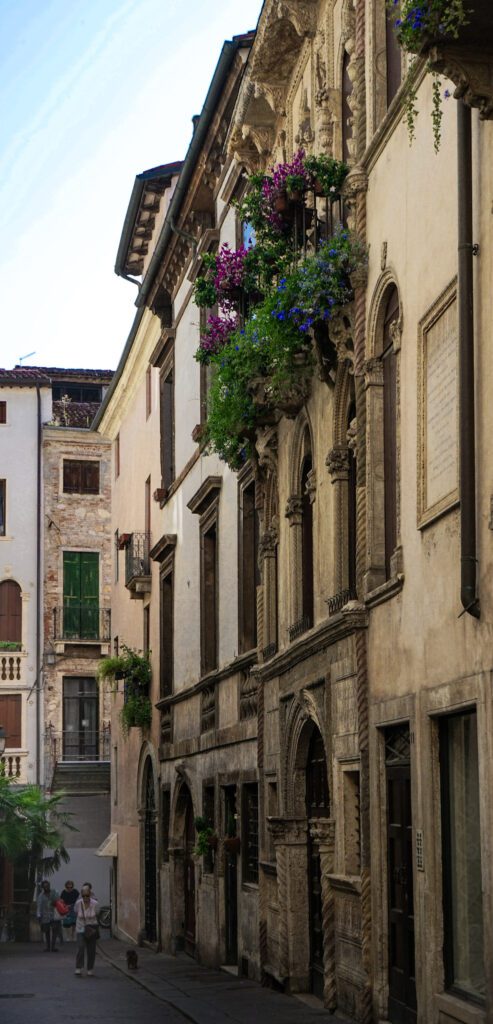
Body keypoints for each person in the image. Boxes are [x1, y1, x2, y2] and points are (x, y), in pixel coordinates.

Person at [74, 883, 99, 976]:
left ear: (90, 894)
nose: (85, 897)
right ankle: (78, 967)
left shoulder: (95, 903)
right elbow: (76, 912)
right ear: (81, 894)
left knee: (91, 950)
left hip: (92, 928)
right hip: (81, 928)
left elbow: (97, 914)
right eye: (83, 895)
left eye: (87, 895)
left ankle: (90, 968)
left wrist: (90, 921)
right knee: (80, 947)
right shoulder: (78, 903)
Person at [36, 879, 59, 952]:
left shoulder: (54, 892)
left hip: (54, 915)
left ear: (49, 886)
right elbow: (39, 906)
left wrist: (55, 901)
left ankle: (53, 946)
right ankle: (48, 947)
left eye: (47, 886)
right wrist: (39, 915)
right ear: (43, 887)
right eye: (45, 886)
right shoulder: (41, 896)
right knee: (47, 931)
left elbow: (59, 901)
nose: (46, 887)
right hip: (45, 916)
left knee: (55, 930)